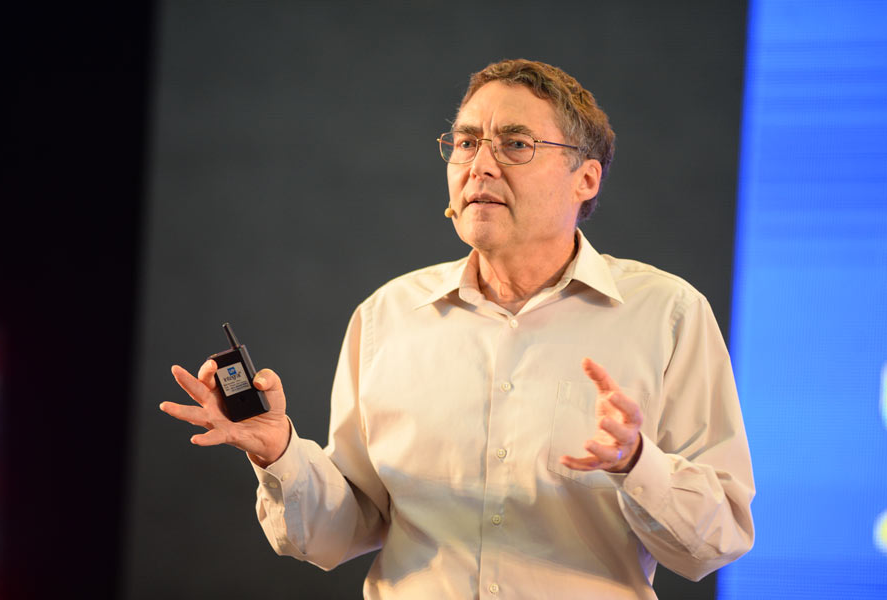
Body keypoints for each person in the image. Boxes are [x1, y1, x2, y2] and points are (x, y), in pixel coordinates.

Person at [161, 59, 754, 599]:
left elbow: (717, 542)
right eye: (466, 142)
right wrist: (282, 454)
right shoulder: (387, 316)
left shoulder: (667, 314)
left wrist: (637, 463)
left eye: (515, 144)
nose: (481, 165)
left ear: (586, 179)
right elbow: (342, 533)